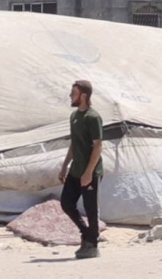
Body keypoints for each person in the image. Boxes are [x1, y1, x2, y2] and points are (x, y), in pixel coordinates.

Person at [58, 79, 104, 260]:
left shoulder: (93, 117)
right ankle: (86, 234)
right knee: (66, 203)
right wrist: (64, 166)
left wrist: (88, 173)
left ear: (83, 95)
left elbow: (98, 146)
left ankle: (92, 245)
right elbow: (74, 144)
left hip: (90, 172)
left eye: (73, 93)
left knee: (91, 209)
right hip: (75, 170)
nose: (70, 96)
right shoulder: (74, 116)